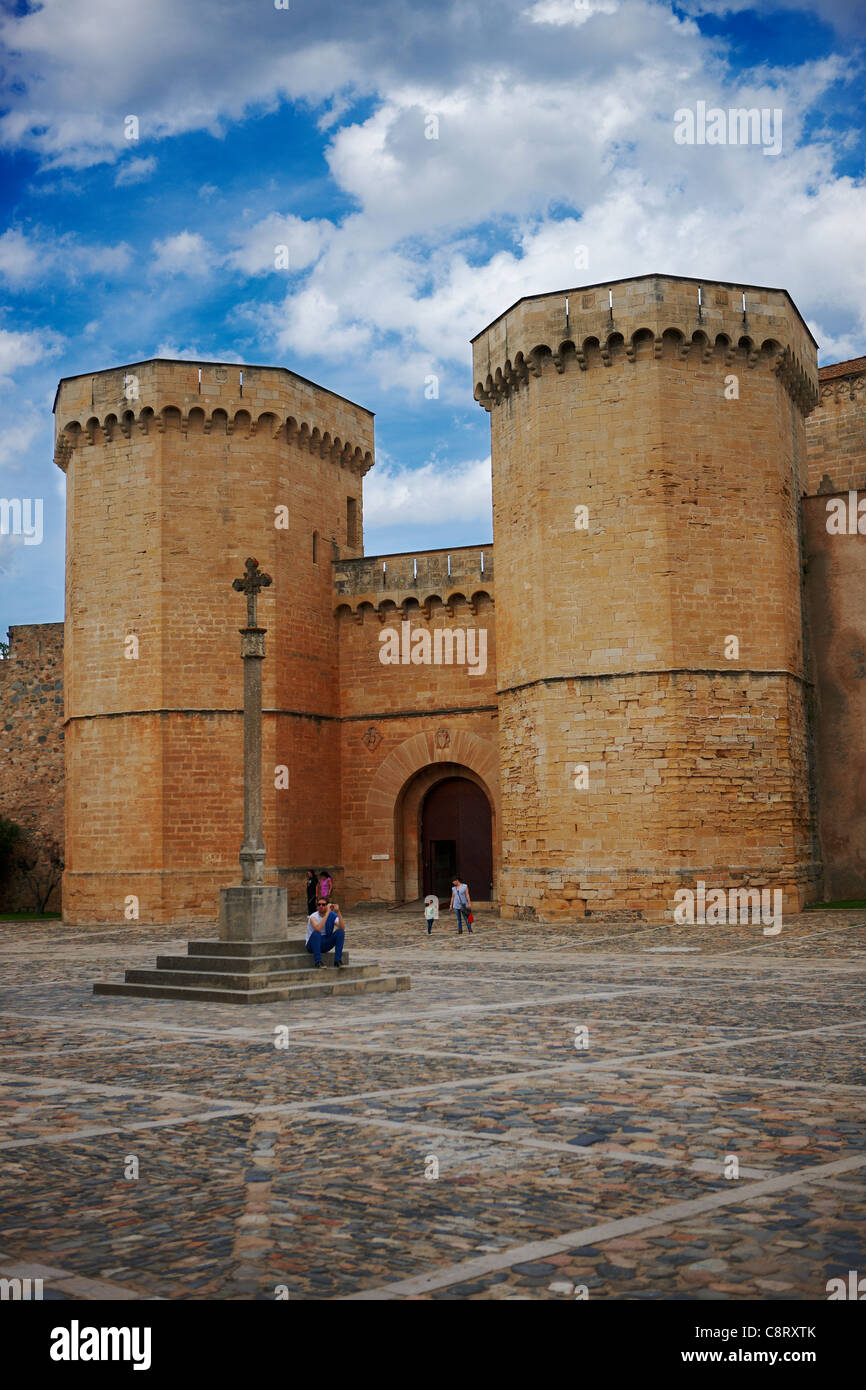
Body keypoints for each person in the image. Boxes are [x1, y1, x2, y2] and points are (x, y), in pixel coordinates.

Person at [306, 895, 345, 968]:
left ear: (327, 906)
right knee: (316, 933)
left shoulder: (332, 915)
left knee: (340, 932)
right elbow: (318, 928)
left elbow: (342, 927)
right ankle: (318, 962)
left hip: (325, 943)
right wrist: (327, 913)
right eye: (319, 904)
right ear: (317, 906)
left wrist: (338, 912)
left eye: (323, 904)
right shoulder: (313, 917)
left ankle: (338, 961)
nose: (321, 906)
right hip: (312, 945)